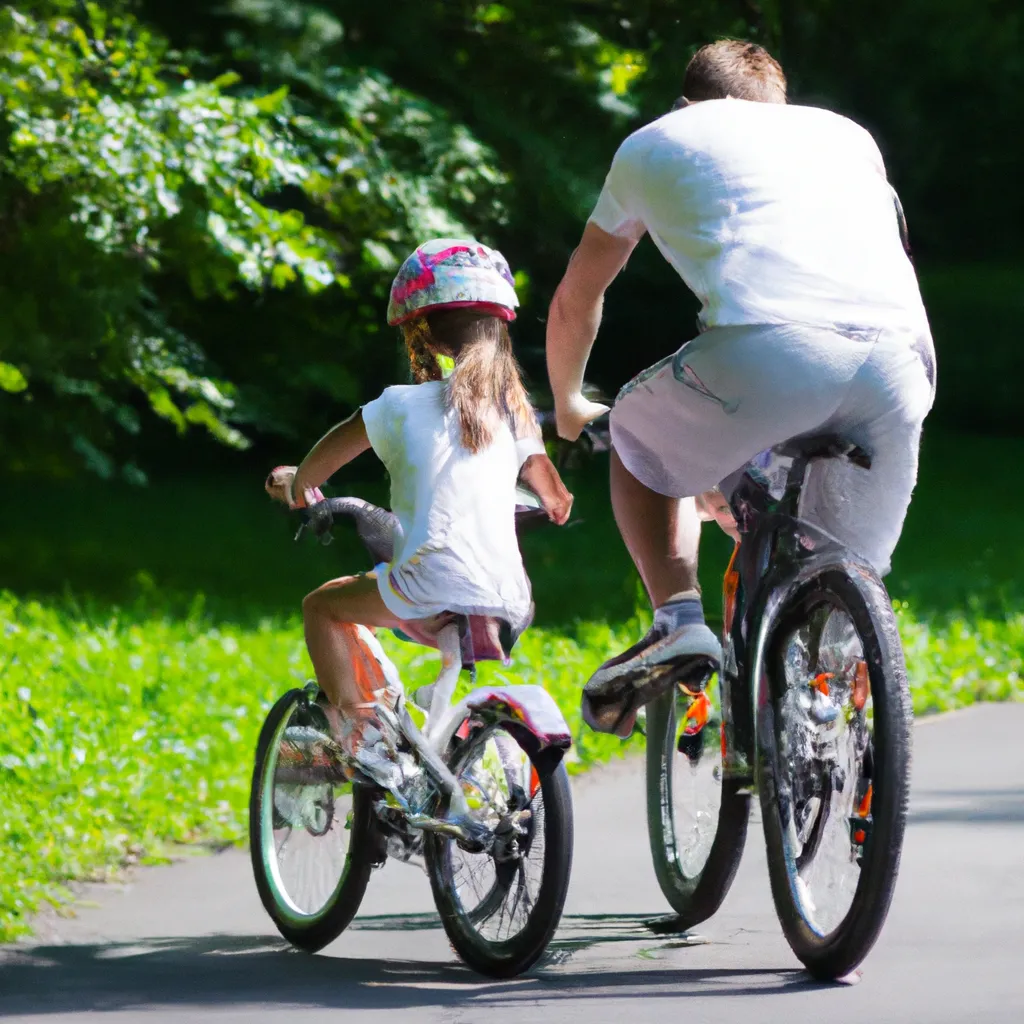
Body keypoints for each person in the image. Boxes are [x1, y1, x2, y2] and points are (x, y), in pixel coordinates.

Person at [545, 39, 936, 735]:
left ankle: (679, 621)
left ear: (688, 103)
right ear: (779, 108)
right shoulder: (846, 138)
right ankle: (828, 721)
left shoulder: (658, 140)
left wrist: (572, 404)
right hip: (903, 364)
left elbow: (579, 296)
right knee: (844, 578)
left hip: (771, 349)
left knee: (637, 433)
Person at [267, 238, 573, 786]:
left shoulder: (396, 405)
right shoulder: (514, 411)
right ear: (499, 326)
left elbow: (319, 463)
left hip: (428, 580)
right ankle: (444, 745)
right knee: (435, 642)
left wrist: (297, 485)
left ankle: (355, 739)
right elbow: (551, 493)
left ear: (422, 332)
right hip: (511, 597)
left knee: (322, 607)